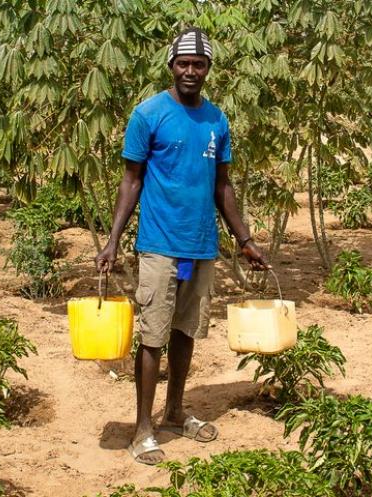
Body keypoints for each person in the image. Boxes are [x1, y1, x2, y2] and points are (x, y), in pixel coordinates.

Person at [94, 27, 270, 465]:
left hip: (200, 247)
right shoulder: (148, 114)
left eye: (199, 65)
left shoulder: (216, 120)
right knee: (153, 336)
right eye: (184, 64)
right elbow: (131, 181)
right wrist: (112, 241)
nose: (191, 71)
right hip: (160, 245)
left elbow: (222, 186)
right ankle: (142, 429)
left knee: (186, 331)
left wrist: (245, 240)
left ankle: (174, 412)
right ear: (171, 66)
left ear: (208, 69)